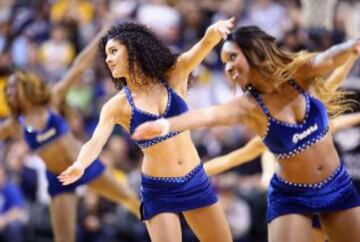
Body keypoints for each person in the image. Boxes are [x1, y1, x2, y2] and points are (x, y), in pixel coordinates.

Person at [132, 26, 360, 242]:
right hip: (293, 196)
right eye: (224, 63)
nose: (228, 67)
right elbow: (208, 116)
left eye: (232, 57)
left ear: (253, 52)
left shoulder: (299, 74)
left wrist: (351, 47)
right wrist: (165, 126)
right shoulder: (249, 107)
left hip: (336, 184)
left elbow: (328, 58)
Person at [58, 19, 235, 242]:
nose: (108, 59)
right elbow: (95, 141)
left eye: (113, 51)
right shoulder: (117, 105)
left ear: (133, 49)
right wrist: (80, 164)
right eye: (106, 54)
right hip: (159, 189)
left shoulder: (174, 75)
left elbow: (204, 44)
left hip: (195, 179)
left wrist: (214, 31)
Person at [0, 24, 139, 242]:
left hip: (84, 166)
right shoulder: (15, 124)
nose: (9, 90)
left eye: (13, 86)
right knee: (63, 237)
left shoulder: (51, 101)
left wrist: (102, 35)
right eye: (7, 89)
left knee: (129, 199)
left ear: (27, 86)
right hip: (58, 178)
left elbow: (78, 67)